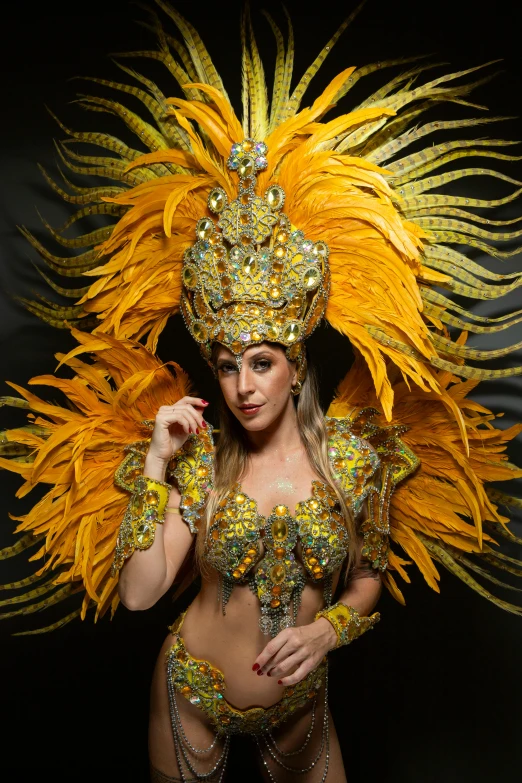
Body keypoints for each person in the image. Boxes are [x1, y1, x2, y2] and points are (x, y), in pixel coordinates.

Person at [1, 2, 522, 782]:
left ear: (297, 365)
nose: (243, 386)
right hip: (190, 697)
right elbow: (142, 596)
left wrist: (330, 633)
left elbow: (369, 574)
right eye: (227, 364)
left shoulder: (356, 455)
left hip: (303, 703)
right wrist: (153, 459)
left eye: (263, 362)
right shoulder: (198, 462)